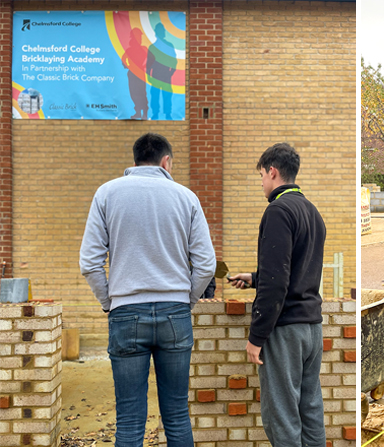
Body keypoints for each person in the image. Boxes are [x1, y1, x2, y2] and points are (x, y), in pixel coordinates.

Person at [79, 133, 216, 447]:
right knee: (177, 415)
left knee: (129, 420)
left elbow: (89, 262)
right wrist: (187, 300)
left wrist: (109, 301)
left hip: (126, 313)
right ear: (166, 161)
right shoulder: (186, 197)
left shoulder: (107, 193)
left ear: (136, 159)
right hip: (175, 313)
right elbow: (206, 264)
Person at [228, 143, 327, 446]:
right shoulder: (312, 212)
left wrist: (256, 337)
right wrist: (254, 278)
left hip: (285, 332)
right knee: (310, 409)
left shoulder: (278, 211)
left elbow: (277, 283)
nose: (261, 182)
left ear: (272, 172)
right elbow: (298, 271)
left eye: (261, 175)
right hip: (312, 329)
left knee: (281, 417)